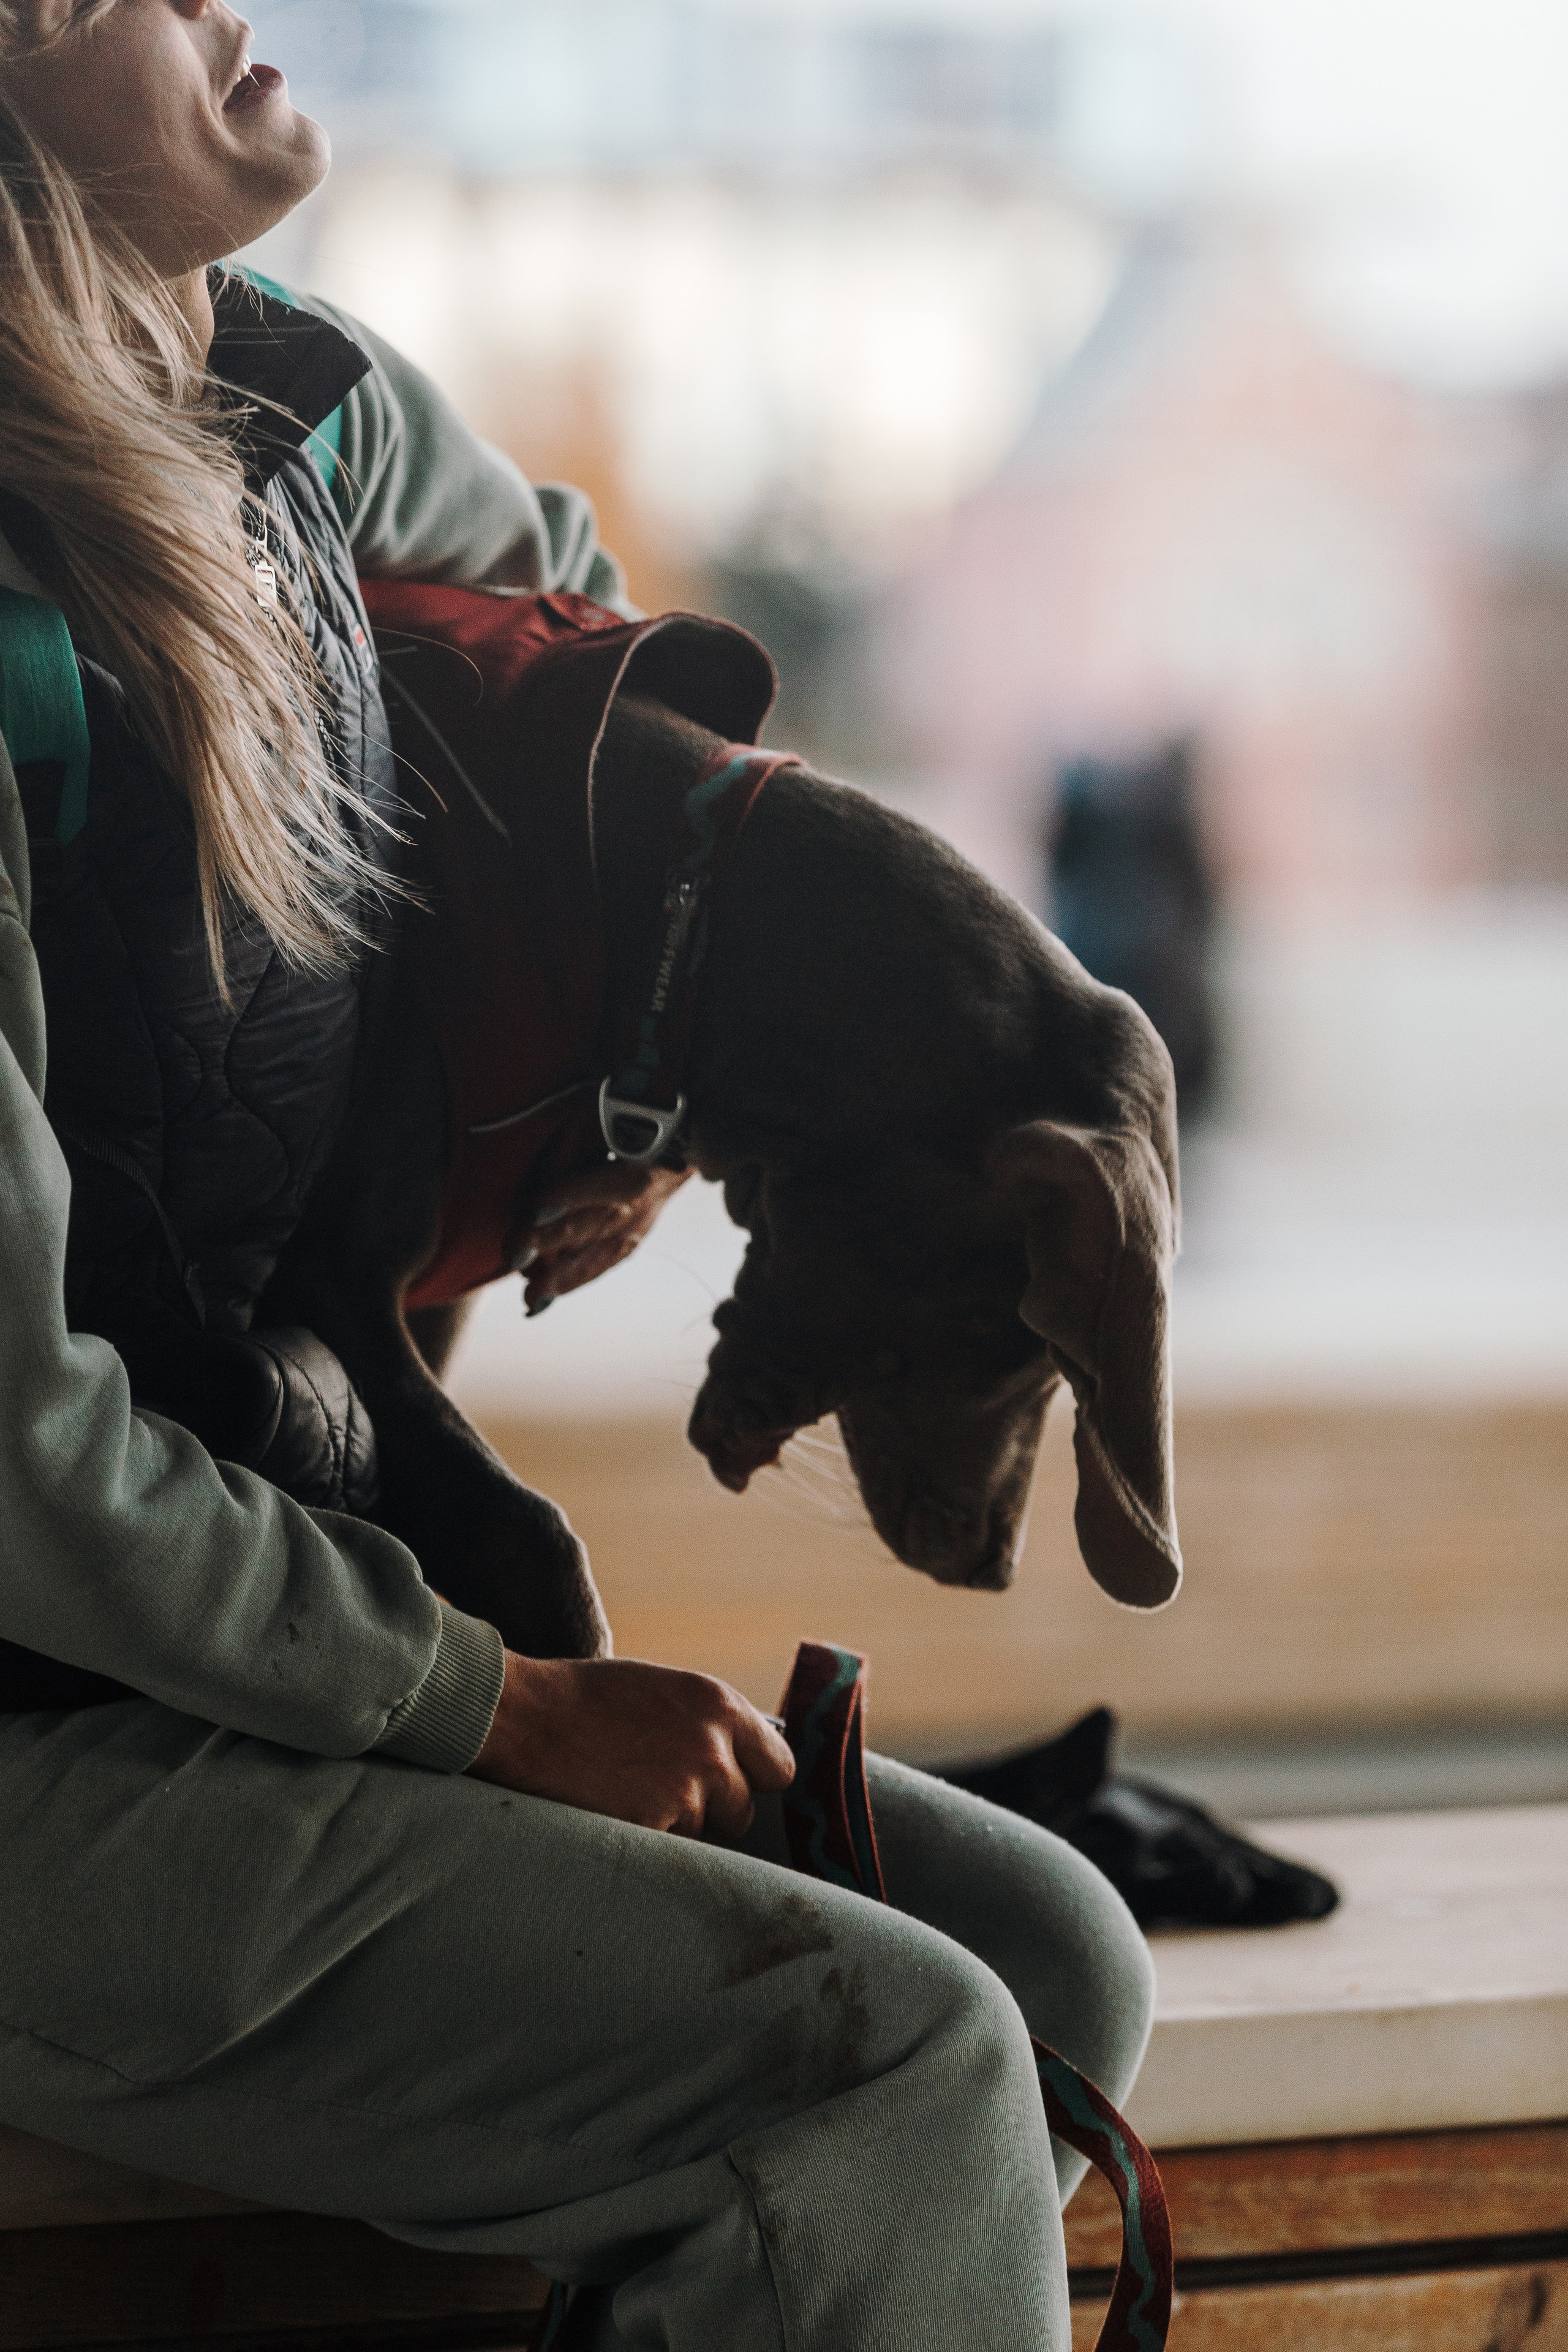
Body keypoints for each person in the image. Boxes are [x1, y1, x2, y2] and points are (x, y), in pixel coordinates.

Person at [0, 5, 1155, 2346]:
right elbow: (18, 1465)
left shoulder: (286, 408)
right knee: (898, 2079)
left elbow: (578, 597)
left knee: (1042, 1968)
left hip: (168, 1676)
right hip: (40, 1732)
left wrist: (637, 1032)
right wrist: (489, 1708)